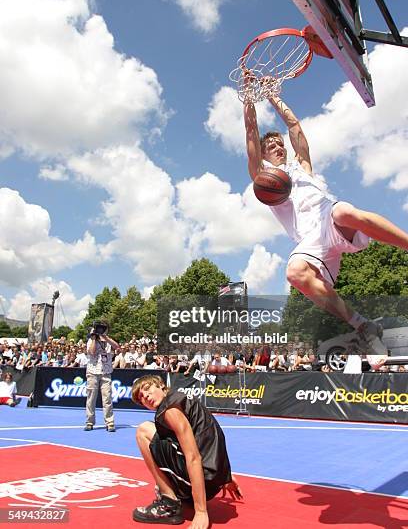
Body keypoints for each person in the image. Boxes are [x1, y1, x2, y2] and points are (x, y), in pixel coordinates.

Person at [244, 92, 408, 353]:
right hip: (309, 240)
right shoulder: (265, 178)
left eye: (279, 143)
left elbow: (295, 127)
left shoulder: (302, 165)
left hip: (329, 218)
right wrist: (250, 101)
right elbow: (251, 133)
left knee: (344, 212)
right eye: (271, 146)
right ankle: (362, 325)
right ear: (265, 156)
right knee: (294, 273)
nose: (278, 146)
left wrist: (274, 98)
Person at [131, 375, 242, 527]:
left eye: (147, 389)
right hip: (213, 478)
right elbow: (207, 442)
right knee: (158, 433)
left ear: (161, 386)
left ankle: (169, 504)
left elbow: (193, 457)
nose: (146, 396)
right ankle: (179, 494)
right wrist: (225, 477)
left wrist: (201, 511)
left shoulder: (170, 410)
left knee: (143, 431)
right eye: (141, 397)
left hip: (206, 479)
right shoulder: (178, 401)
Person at [84, 320, 120, 432]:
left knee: (107, 398)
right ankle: (90, 422)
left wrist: (105, 337)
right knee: (91, 398)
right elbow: (92, 352)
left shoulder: (109, 341)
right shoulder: (91, 340)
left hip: (106, 372)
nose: (100, 330)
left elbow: (117, 347)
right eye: (99, 328)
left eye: (103, 328)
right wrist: (94, 337)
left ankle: (110, 422)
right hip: (93, 372)